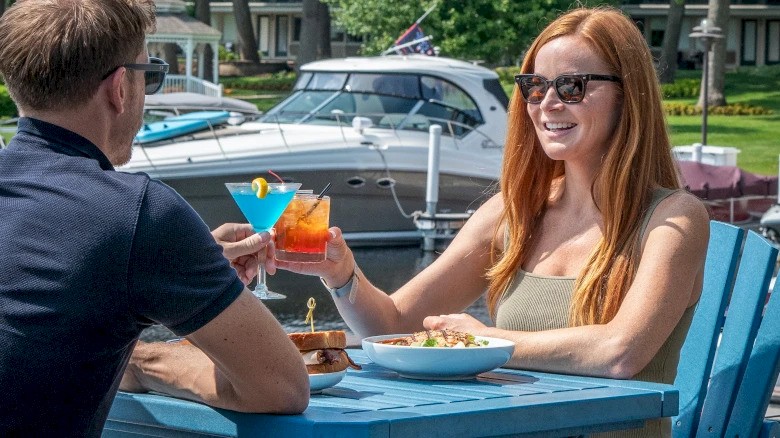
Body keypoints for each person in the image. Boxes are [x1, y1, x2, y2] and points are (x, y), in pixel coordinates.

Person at [272, 6, 709, 436]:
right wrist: (343, 274)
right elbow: (393, 324)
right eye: (535, 87)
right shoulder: (514, 212)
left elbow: (622, 351)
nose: (548, 103)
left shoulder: (673, 219)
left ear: (627, 95)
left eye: (572, 86)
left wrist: (485, 343)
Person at [0, 1, 308, 435]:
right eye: (151, 75)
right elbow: (281, 387)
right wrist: (142, 360)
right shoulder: (137, 214)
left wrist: (185, 265)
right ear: (121, 87)